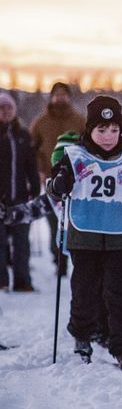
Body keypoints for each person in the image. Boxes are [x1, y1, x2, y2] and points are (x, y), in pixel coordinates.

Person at [47, 96, 122, 371]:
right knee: (85, 291)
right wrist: (59, 184)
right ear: (90, 130)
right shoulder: (76, 155)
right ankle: (82, 335)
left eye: (114, 130)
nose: (109, 136)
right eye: (101, 130)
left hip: (119, 236)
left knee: (119, 293)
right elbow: (54, 185)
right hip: (84, 235)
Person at [30, 82, 85, 275]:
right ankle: (58, 257)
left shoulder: (79, 120)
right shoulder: (41, 121)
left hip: (77, 178)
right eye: (57, 95)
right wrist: (39, 168)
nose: (60, 98)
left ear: (69, 97)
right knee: (55, 218)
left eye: (64, 94)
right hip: (50, 177)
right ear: (52, 97)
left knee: (74, 218)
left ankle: (75, 255)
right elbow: (32, 148)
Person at [0, 92, 40, 291]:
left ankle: (22, 280)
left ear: (14, 111)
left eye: (9, 108)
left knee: (22, 241)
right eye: (2, 108)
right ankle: (1, 281)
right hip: (1, 198)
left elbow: (30, 164)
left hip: (20, 197)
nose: (5, 112)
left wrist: (35, 186)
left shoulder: (23, 135)